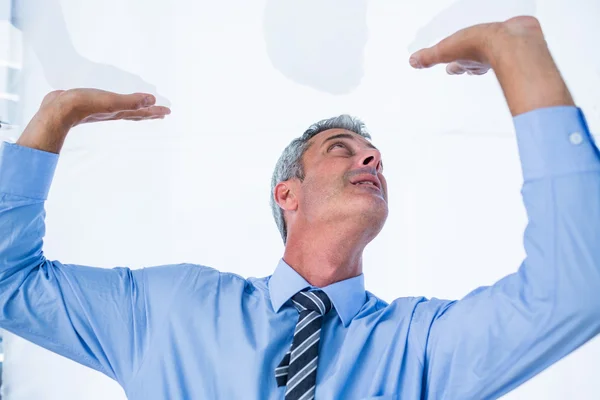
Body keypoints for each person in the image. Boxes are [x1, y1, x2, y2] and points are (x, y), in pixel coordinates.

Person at [1, 15, 599, 400]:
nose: (372, 162)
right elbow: (8, 282)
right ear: (286, 193)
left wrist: (515, 54)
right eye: (343, 150)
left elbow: (576, 291)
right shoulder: (166, 311)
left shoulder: (419, 346)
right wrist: (55, 116)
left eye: (377, 158)